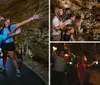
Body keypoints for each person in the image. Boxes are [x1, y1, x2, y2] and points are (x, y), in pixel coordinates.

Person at [0, 13, 41, 77]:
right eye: (7, 21)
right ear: (4, 22)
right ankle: (4, 66)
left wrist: (32, 18)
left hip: (10, 44)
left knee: (13, 58)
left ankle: (17, 70)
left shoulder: (12, 27)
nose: (8, 23)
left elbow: (22, 22)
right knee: (4, 56)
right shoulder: (1, 29)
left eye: (9, 22)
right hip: (3, 44)